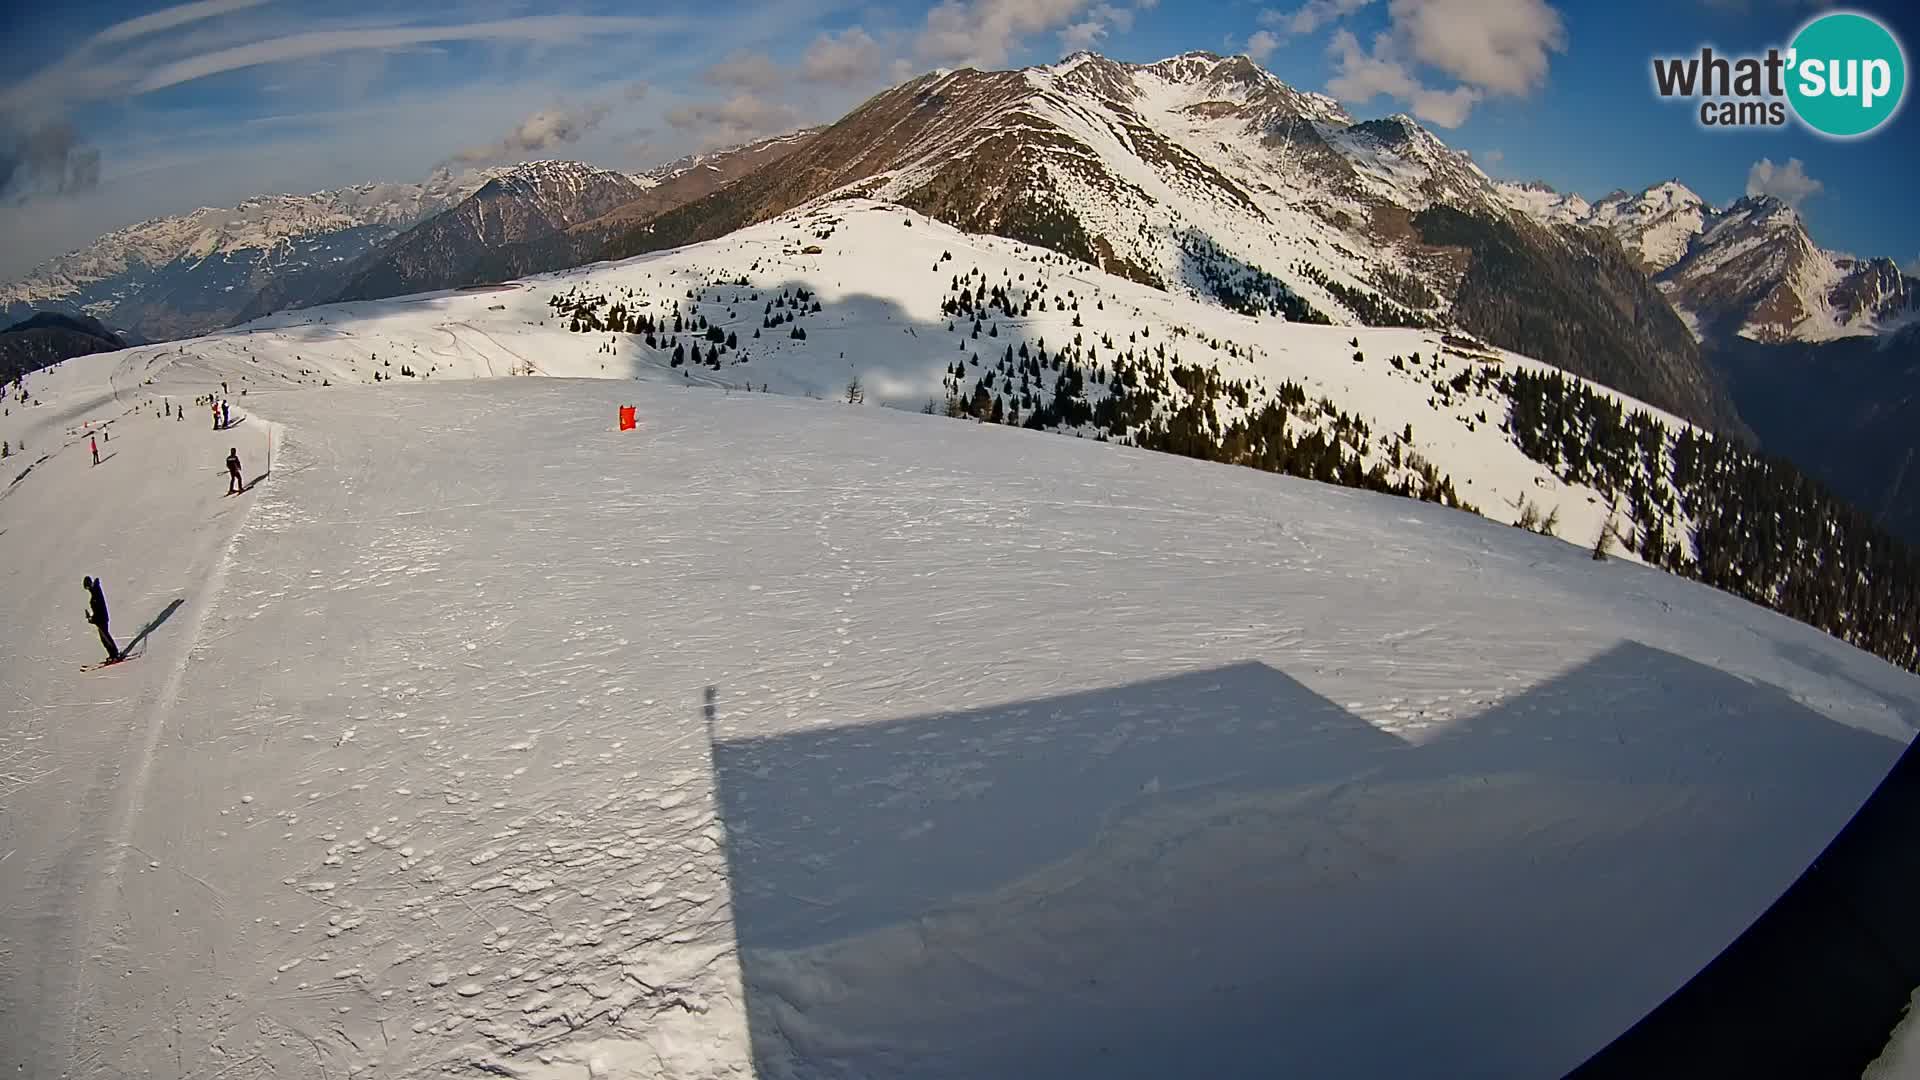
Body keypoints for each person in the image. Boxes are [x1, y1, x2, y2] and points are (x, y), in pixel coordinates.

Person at [84, 576, 120, 662]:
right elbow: (97, 610)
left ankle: (115, 654)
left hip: (101, 619)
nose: (88, 589)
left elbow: (98, 610)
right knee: (104, 638)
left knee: (105, 638)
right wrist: (92, 618)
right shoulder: (95, 592)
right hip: (100, 619)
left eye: (87, 587)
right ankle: (113, 654)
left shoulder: (95, 594)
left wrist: (92, 619)